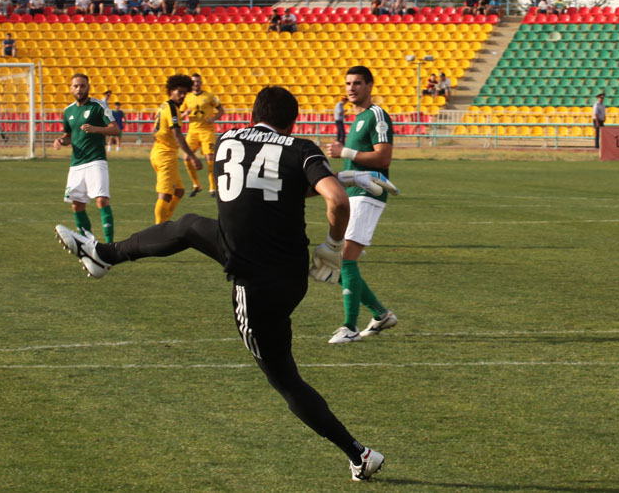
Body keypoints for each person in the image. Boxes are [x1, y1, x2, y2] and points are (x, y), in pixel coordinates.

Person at [53, 85, 385, 482]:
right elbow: (332, 198)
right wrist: (332, 240)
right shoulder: (300, 147)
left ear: (251, 115)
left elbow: (269, 184)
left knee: (284, 378)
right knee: (191, 226)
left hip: (254, 278)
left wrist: (341, 182)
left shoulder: (228, 139)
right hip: (289, 271)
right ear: (291, 122)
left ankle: (358, 453)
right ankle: (104, 255)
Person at [325, 65, 397, 344]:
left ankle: (349, 327)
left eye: (357, 83)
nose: (351, 88)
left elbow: (383, 158)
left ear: (369, 86)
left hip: (370, 193)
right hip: (353, 194)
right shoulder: (355, 119)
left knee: (344, 259)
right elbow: (355, 164)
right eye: (348, 83)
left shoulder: (376, 115)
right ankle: (381, 314)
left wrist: (345, 152)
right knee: (333, 262)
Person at [53, 73, 120, 242]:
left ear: (88, 87)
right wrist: (62, 140)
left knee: (102, 200)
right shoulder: (68, 111)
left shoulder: (98, 106)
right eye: (76, 86)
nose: (79, 89)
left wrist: (96, 129)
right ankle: (87, 242)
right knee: (77, 205)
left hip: (96, 160)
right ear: (70, 88)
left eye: (82, 86)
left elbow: (115, 129)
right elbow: (69, 135)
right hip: (76, 164)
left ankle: (110, 245)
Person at [150, 74, 202, 223]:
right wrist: (193, 157)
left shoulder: (164, 105)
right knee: (165, 194)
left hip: (159, 152)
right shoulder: (172, 109)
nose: (182, 96)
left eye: (185, 93)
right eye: (179, 92)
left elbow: (155, 130)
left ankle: (165, 221)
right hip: (165, 156)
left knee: (178, 191)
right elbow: (178, 136)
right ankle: (159, 229)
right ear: (171, 91)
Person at [180, 73, 224, 197]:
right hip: (192, 132)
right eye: (194, 81)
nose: (196, 83)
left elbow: (221, 110)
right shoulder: (187, 97)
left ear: (201, 83)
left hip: (207, 131)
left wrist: (213, 119)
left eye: (198, 81)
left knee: (210, 159)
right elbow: (181, 116)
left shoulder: (209, 96)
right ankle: (196, 185)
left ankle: (212, 188)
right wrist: (186, 113)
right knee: (186, 158)